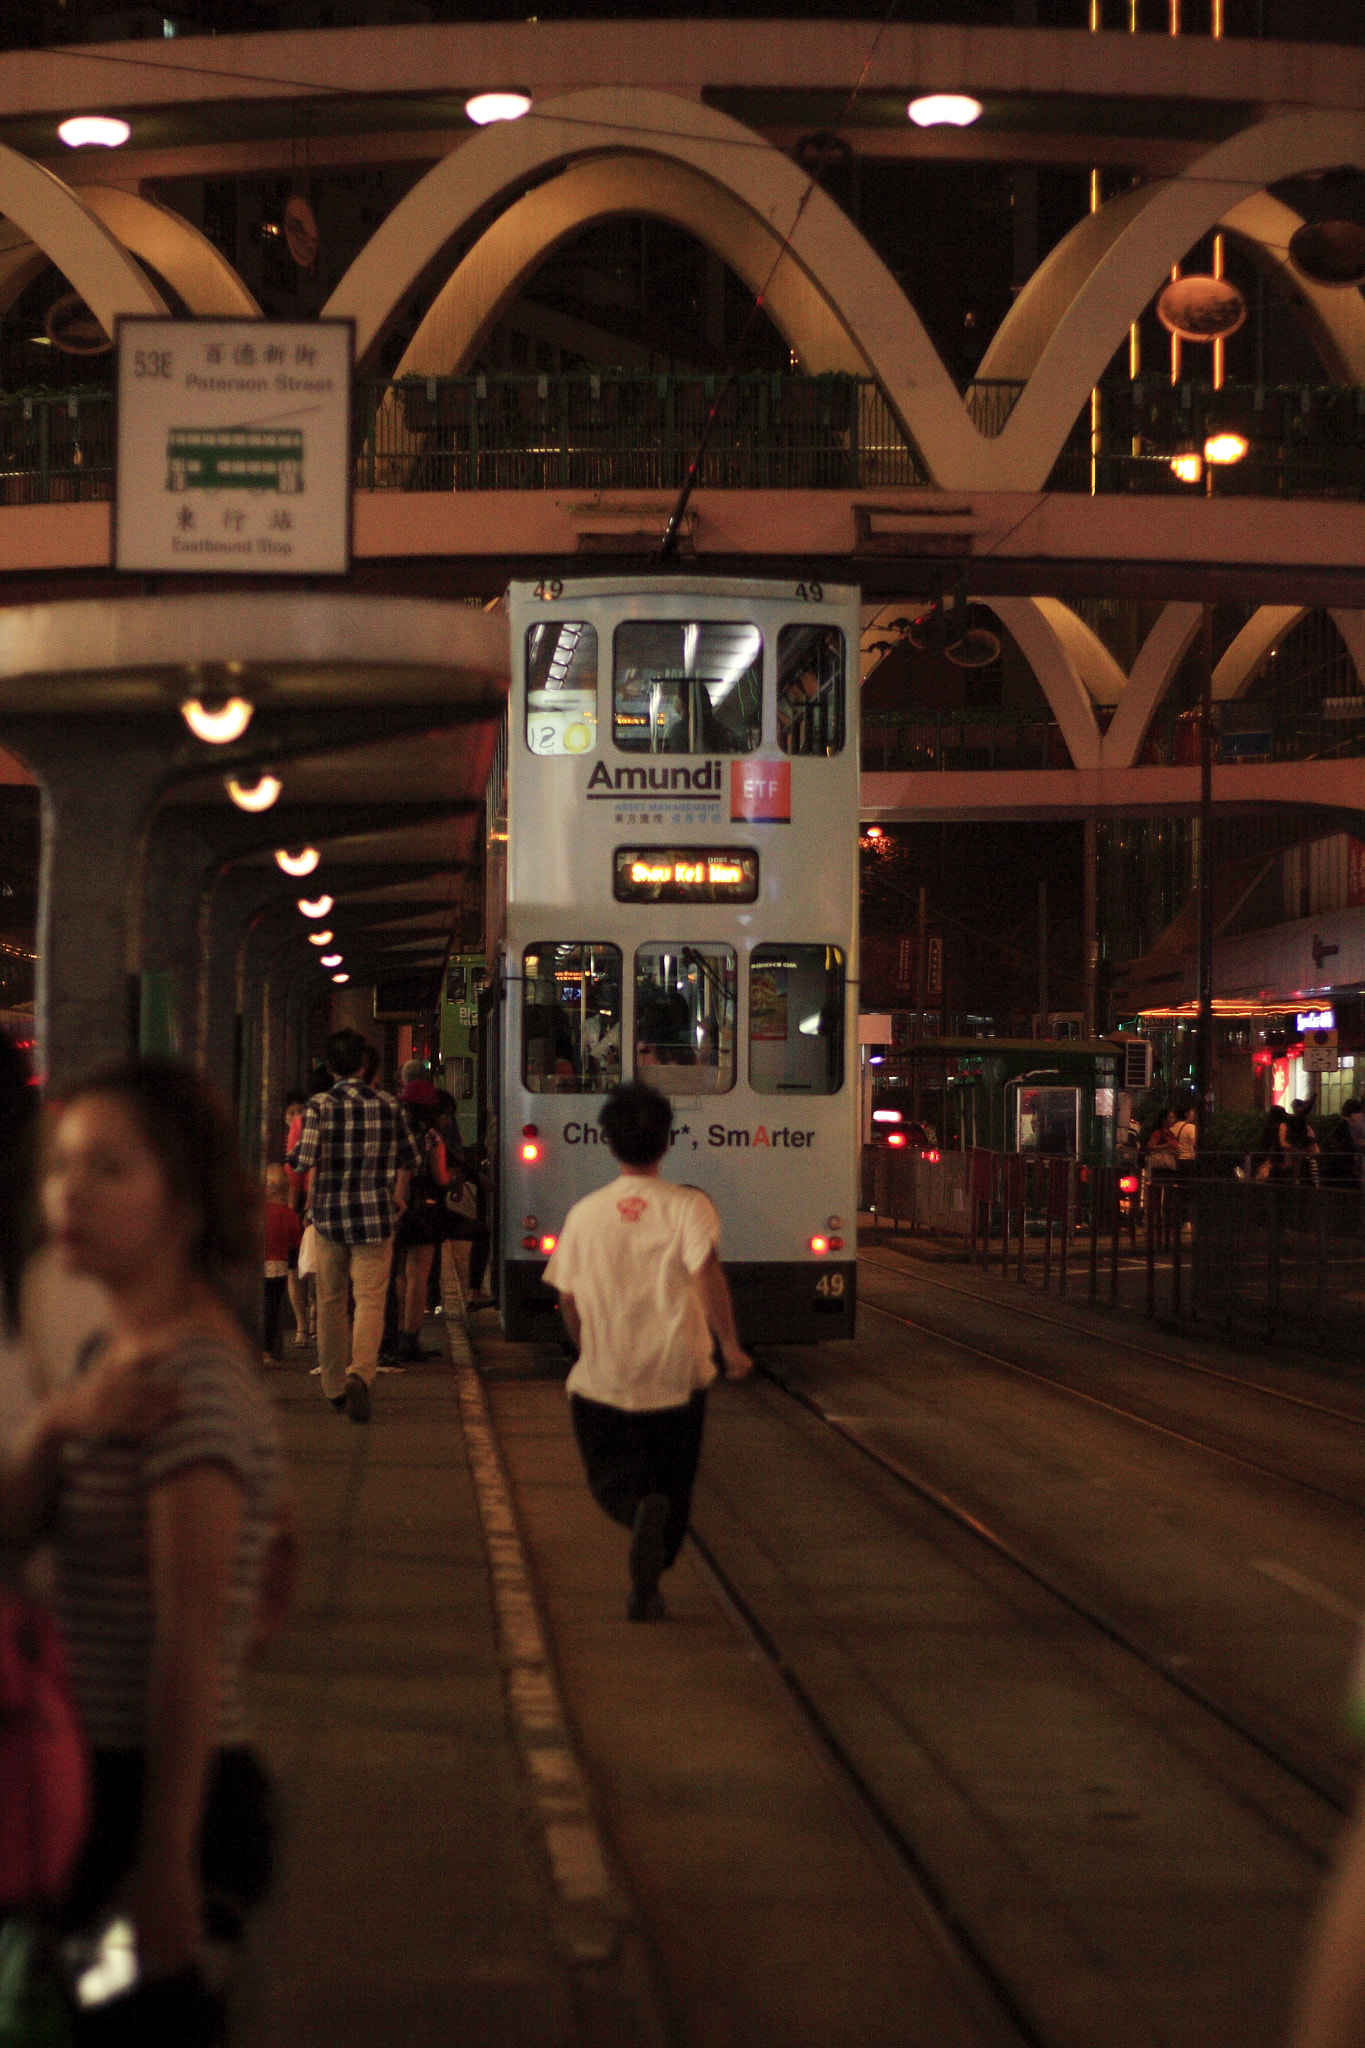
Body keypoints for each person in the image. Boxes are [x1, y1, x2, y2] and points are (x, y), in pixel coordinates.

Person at [3, 1059, 287, 2043]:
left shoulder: (192, 1382)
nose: (68, 1193)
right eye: (62, 1166)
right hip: (88, 1775)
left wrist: (165, 1860)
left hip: (160, 1798)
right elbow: (15, 1529)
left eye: (109, 1168)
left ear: (184, 1202)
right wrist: (57, 1426)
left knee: (131, 2023)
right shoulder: (106, 1357)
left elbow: (194, 1630)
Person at [543, 1081, 752, 1623]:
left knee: (611, 1478)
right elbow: (705, 1274)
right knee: (673, 1483)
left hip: (605, 1379)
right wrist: (729, 1346)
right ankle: (650, 1581)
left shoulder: (585, 1214)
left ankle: (635, 1512)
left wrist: (586, 1348)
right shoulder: (690, 1208)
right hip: (678, 1374)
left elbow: (567, 1300)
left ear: (608, 1142)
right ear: (667, 1142)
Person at [288, 1028, 420, 1422]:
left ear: (329, 1068)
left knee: (330, 1303)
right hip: (376, 1218)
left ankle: (332, 1385)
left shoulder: (318, 1107)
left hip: (329, 1218)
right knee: (370, 1300)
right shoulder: (389, 1106)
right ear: (364, 1065)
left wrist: (295, 1154)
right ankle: (360, 1373)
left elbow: (302, 1160)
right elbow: (411, 1157)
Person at [391, 1076, 449, 1362]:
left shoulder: (394, 1131)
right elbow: (441, 1177)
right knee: (419, 1276)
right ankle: (410, 1337)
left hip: (397, 1206)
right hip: (424, 1210)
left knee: (400, 1273)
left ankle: (397, 1329)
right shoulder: (433, 1137)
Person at [262, 1166, 301, 1365]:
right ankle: (267, 1352)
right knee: (272, 1310)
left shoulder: (258, 1212)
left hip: (258, 1266)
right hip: (279, 1268)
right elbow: (295, 1243)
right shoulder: (289, 1215)